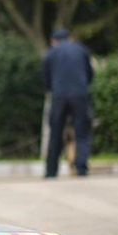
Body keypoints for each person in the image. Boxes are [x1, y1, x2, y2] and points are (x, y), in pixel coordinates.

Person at [42, 28, 94, 178]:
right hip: (80, 95)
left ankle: (51, 171)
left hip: (59, 97)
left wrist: (53, 90)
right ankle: (81, 168)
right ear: (68, 38)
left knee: (55, 133)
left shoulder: (50, 53)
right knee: (82, 132)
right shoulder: (81, 50)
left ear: (53, 41)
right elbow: (90, 74)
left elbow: (45, 78)